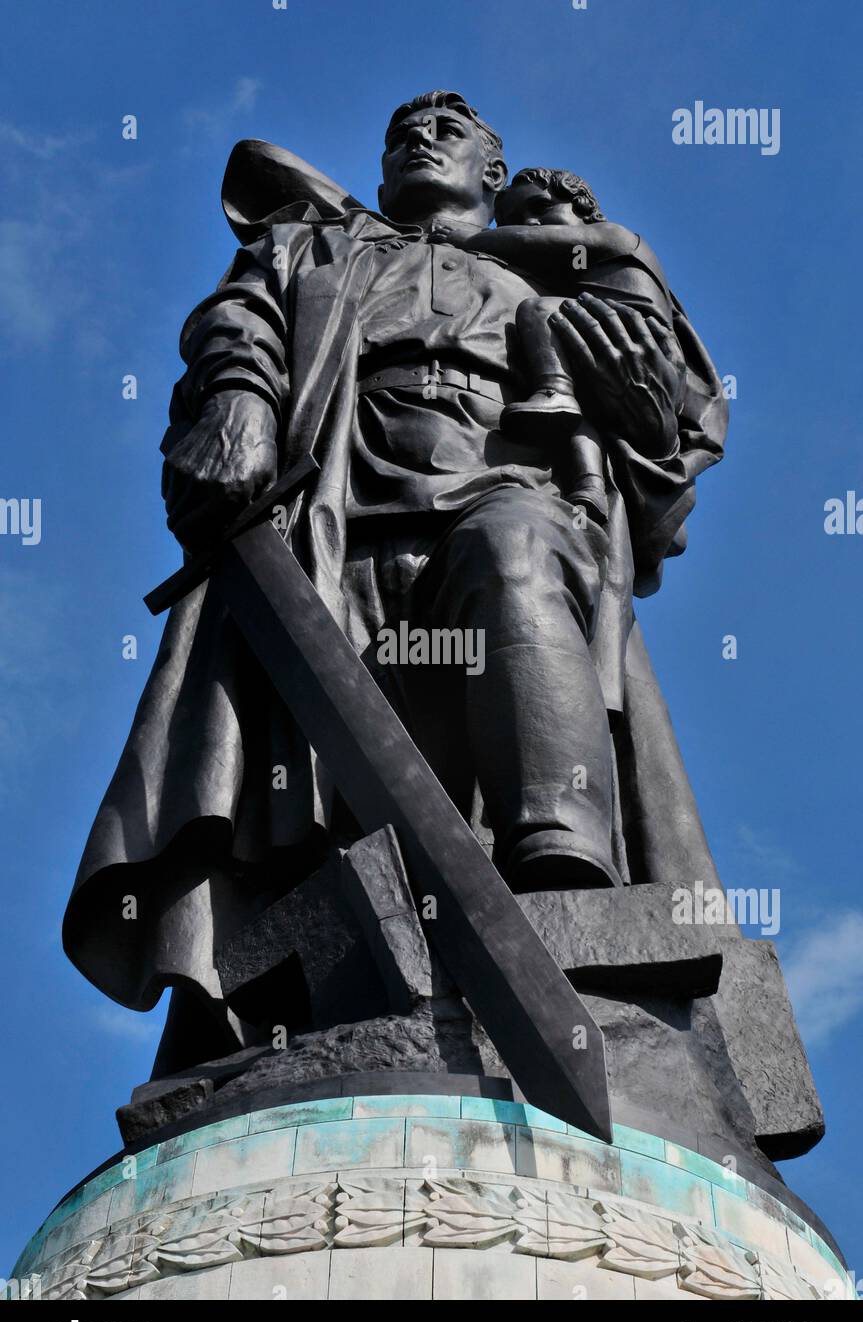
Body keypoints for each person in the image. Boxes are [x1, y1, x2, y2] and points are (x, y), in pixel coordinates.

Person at [63, 92, 728, 1072]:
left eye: (450, 130)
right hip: (328, 522)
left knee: (512, 550)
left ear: (491, 173)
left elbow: (664, 429)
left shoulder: (553, 276)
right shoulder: (316, 249)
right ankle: (307, 996)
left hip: (503, 503)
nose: (422, 135)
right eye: (402, 132)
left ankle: (557, 884)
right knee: (302, 793)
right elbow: (237, 321)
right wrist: (240, 400)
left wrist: (645, 409)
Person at [429, 166, 674, 523]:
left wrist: (470, 238)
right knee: (576, 419)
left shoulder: (615, 237)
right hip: (598, 349)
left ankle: (554, 389)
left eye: (542, 208)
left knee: (538, 310)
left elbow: (534, 244)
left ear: (584, 207)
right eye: (512, 219)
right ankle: (589, 487)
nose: (529, 224)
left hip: (634, 336)